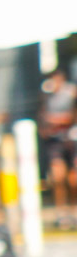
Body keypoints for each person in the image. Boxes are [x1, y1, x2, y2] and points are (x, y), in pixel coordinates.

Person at [38, 68, 77, 228]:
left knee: (73, 179)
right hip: (55, 141)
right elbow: (42, 116)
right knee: (57, 176)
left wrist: (58, 120)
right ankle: (61, 212)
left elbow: (72, 116)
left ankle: (74, 210)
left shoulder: (72, 93)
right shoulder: (46, 94)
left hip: (72, 139)